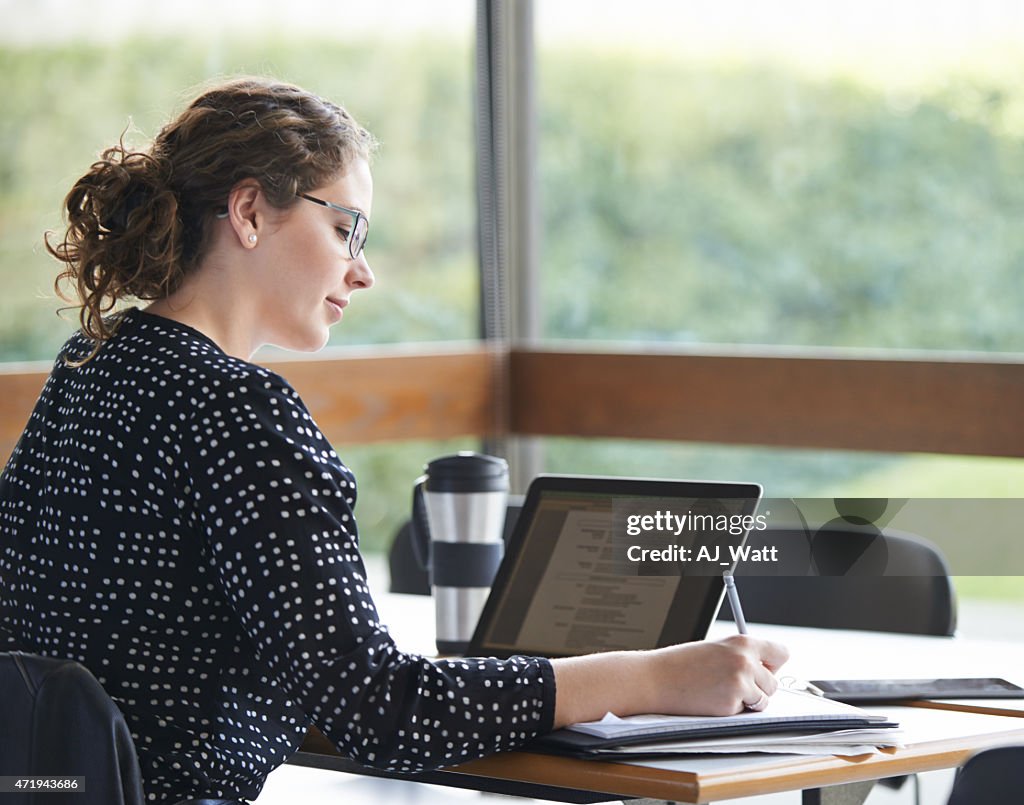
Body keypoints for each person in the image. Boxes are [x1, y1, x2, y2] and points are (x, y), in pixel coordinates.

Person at [0, 77, 787, 805]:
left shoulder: (90, 370)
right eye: (347, 229)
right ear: (248, 213)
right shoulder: (237, 411)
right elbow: (384, 712)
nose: (362, 271)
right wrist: (653, 676)